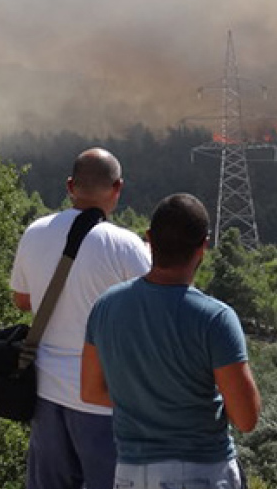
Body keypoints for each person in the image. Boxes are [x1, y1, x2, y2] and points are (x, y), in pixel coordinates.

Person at [81, 193, 261, 489]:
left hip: (130, 473)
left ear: (148, 239)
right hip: (202, 471)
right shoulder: (215, 318)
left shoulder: (106, 306)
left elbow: (90, 391)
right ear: (204, 246)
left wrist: (143, 402)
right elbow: (246, 419)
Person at [11, 147, 151, 489]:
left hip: (45, 394)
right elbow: (153, 311)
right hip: (103, 400)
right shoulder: (126, 245)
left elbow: (22, 300)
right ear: (118, 188)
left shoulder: (35, 231)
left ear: (70, 185)